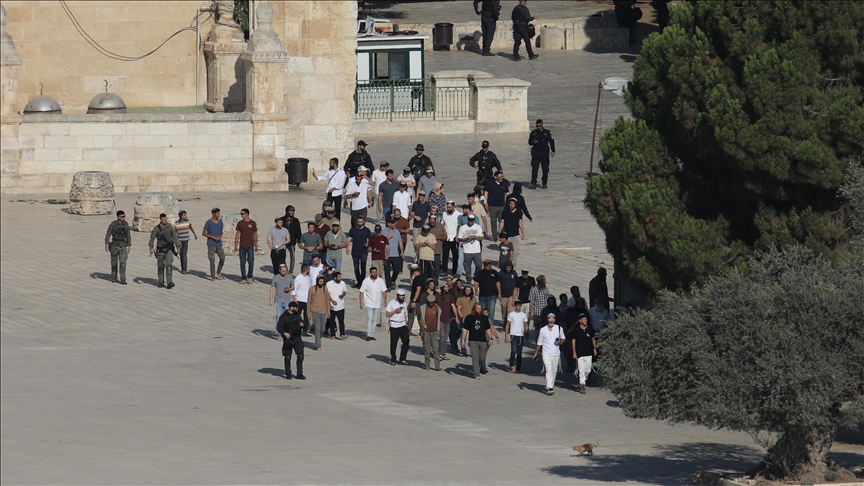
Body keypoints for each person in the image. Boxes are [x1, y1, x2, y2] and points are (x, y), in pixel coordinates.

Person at [533, 314, 565, 395]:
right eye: (549, 319)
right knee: (548, 369)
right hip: (546, 354)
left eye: (552, 319)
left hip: (556, 353)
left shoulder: (559, 328)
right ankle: (549, 386)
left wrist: (560, 341)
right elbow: (539, 342)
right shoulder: (543, 330)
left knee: (554, 371)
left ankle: (551, 385)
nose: (551, 321)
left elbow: (563, 338)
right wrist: (535, 353)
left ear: (554, 320)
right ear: (547, 320)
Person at [461, 303, 494, 379]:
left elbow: (488, 329)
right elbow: (465, 330)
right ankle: (476, 374)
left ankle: (476, 366)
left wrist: (490, 338)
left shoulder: (484, 318)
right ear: (474, 309)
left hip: (483, 340)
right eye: (478, 308)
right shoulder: (469, 318)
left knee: (482, 357)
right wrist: (463, 340)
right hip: (473, 341)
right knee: (475, 357)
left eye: (480, 308)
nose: (479, 310)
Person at [148, 213, 180, 289]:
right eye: (163, 219)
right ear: (160, 220)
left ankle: (169, 282)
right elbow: (152, 238)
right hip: (160, 249)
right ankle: (161, 281)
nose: (165, 221)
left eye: (166, 219)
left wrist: (177, 247)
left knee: (169, 264)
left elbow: (174, 237)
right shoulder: (157, 228)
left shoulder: (169, 226)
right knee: (160, 266)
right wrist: (151, 247)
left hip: (168, 248)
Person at [277, 301, 305, 380]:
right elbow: (279, 326)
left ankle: (299, 374)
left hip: (297, 337)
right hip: (288, 338)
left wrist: (302, 325)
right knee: (287, 356)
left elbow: (302, 323)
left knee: (300, 355)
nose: (297, 309)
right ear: (291, 307)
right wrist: (284, 333)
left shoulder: (297, 315)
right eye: (296, 307)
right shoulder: (284, 316)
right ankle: (288, 373)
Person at [359, 266, 388, 341]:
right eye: (373, 272)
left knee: (374, 319)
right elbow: (361, 292)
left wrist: (385, 300)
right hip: (369, 303)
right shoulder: (366, 281)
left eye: (376, 272)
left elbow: (384, 291)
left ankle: (372, 334)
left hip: (377, 303)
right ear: (370, 273)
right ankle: (368, 334)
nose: (375, 273)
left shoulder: (380, 280)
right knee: (370, 318)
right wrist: (361, 302)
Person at [571, 312, 597, 394]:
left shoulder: (590, 328)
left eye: (585, 319)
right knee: (581, 369)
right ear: (580, 321)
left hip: (588, 352)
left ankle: (584, 379)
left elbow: (593, 339)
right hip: (579, 353)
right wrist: (574, 353)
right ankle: (582, 384)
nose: (585, 320)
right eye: (583, 319)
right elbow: (573, 341)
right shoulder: (576, 330)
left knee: (588, 370)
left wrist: (595, 348)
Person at [104, 210, 132, 285]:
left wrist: (129, 245)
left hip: (122, 246)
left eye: (124, 216)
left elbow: (128, 235)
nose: (124, 218)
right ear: (118, 217)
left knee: (123, 262)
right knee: (114, 263)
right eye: (122, 217)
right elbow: (108, 233)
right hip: (114, 246)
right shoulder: (113, 224)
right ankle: (113, 277)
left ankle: (123, 279)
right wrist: (106, 243)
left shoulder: (126, 224)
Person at [528, 119, 556, 189]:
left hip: (544, 154)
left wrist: (553, 151)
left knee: (545, 169)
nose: (538, 127)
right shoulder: (533, 133)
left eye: (540, 126)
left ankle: (544, 182)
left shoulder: (547, 133)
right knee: (534, 168)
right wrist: (532, 142)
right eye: (537, 126)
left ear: (542, 125)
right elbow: (529, 142)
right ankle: (533, 182)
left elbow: (551, 142)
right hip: (536, 153)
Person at [233, 208, 258, 285]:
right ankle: (243, 277)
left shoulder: (252, 223)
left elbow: (255, 234)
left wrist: (256, 245)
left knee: (251, 261)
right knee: (242, 262)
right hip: (242, 246)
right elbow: (237, 234)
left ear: (247, 214)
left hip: (250, 245)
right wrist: (235, 245)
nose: (241, 215)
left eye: (242, 214)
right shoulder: (240, 223)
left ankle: (250, 276)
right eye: (241, 214)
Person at [386, 289, 410, 365]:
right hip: (394, 326)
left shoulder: (404, 303)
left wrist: (406, 321)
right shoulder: (392, 303)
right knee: (393, 344)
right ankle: (393, 359)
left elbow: (405, 313)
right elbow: (387, 314)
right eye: (401, 295)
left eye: (403, 295)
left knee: (406, 341)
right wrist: (395, 311)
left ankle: (403, 358)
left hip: (403, 325)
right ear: (397, 295)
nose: (402, 297)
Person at [457, 214, 484, 283]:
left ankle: (476, 275)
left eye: (472, 221)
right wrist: (465, 240)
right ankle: (468, 279)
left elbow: (481, 238)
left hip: (476, 250)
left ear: (474, 220)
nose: (470, 222)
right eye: (469, 220)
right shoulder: (463, 227)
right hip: (467, 250)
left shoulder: (478, 227)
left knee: (479, 265)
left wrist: (474, 237)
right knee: (467, 266)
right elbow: (459, 238)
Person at [418, 294, 442, 371]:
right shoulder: (422, 308)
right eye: (429, 302)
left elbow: (438, 320)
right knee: (427, 349)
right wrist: (423, 329)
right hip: (426, 331)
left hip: (434, 331)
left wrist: (439, 330)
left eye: (432, 302)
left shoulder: (437, 308)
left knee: (435, 349)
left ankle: (437, 365)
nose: (431, 303)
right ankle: (427, 364)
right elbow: (420, 320)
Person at [347, 215, 372, 287]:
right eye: (359, 222)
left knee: (363, 267)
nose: (360, 223)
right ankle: (359, 281)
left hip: (364, 251)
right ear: (356, 221)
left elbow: (371, 240)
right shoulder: (353, 229)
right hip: (355, 252)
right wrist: (347, 247)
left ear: (364, 222)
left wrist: (368, 244)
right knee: (356, 268)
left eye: (361, 222)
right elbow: (349, 239)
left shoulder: (367, 230)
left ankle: (362, 283)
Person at [307, 274, 331, 351]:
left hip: (323, 311)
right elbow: (309, 302)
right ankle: (318, 345)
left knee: (322, 329)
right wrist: (308, 313)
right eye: (320, 281)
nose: (321, 283)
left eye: (322, 281)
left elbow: (327, 300)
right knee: (317, 328)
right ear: (317, 281)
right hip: (315, 311)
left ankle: (318, 338)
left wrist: (328, 311)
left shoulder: (325, 289)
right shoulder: (312, 289)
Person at [270, 264, 295, 334]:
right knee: (279, 316)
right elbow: (272, 288)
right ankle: (279, 334)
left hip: (287, 300)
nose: (284, 272)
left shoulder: (289, 277)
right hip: (278, 300)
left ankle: (287, 331)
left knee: (288, 317)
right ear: (279, 271)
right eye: (283, 271)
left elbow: (293, 287)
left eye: (285, 271)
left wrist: (289, 289)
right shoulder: (276, 277)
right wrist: (271, 300)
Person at [484, 171, 510, 240]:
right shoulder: (490, 184)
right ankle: (495, 235)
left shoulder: (504, 184)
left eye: (502, 176)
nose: (501, 178)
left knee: (502, 221)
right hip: (492, 206)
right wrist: (485, 202)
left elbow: (507, 193)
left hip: (502, 205)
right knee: (493, 221)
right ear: (495, 177)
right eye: (499, 177)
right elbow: (486, 192)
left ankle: (502, 235)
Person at [505, 300, 529, 373]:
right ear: (515, 306)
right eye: (517, 306)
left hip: (521, 335)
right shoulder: (511, 314)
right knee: (514, 350)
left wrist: (526, 333)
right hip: (513, 335)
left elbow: (526, 324)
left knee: (519, 352)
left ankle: (518, 368)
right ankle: (511, 364)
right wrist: (506, 335)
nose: (519, 307)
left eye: (520, 306)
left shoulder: (523, 315)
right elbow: (507, 324)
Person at [474, 259, 500, 326]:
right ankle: (483, 324)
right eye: (486, 265)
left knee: (491, 312)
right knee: (482, 311)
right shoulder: (480, 273)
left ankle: (490, 326)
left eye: (489, 265)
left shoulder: (494, 273)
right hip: (482, 295)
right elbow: (476, 282)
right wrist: (476, 290)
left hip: (492, 295)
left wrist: (499, 293)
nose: (487, 266)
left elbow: (498, 283)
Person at [203, 207, 226, 281]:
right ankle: (213, 276)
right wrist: (213, 237)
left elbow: (221, 231)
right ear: (213, 214)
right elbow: (204, 233)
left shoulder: (220, 222)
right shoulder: (208, 222)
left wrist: (219, 236)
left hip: (218, 243)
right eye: (217, 213)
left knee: (222, 258)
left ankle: (219, 272)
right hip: (211, 244)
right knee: (212, 260)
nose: (219, 215)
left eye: (219, 213)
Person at [381, 216, 404, 290]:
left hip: (395, 254)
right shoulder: (384, 232)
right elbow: (381, 242)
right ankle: (388, 285)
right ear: (388, 224)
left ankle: (393, 280)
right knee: (387, 270)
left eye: (394, 223)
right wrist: (388, 237)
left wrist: (402, 251)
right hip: (386, 254)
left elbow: (400, 241)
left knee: (397, 269)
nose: (394, 224)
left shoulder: (397, 231)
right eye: (393, 223)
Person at [499, 198, 524, 264]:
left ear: (515, 204)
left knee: (515, 252)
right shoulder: (505, 211)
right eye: (510, 203)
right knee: (506, 252)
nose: (511, 205)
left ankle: (514, 266)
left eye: (513, 204)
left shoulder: (519, 212)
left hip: (516, 235)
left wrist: (522, 233)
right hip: (507, 236)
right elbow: (502, 222)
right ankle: (505, 265)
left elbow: (520, 222)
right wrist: (499, 232)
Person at [436, 281, 456, 361]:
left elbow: (453, 307)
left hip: (447, 319)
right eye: (446, 287)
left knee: (445, 338)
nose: (448, 288)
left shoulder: (449, 296)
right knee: (442, 337)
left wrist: (457, 317)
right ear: (442, 288)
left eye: (448, 287)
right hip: (440, 319)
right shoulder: (438, 296)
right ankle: (439, 353)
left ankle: (443, 354)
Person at [528, 275, 552, 340]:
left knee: (544, 329)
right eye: (545, 279)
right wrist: (531, 313)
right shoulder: (534, 289)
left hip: (545, 313)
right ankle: (538, 342)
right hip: (537, 313)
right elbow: (531, 302)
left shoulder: (546, 289)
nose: (546, 280)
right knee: (537, 329)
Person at [326, 271, 348, 340]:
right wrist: (332, 300)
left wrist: (343, 294)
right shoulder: (329, 284)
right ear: (335, 278)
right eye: (339, 277)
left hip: (341, 305)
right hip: (332, 305)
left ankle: (342, 334)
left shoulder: (343, 283)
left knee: (341, 321)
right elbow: (327, 294)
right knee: (332, 321)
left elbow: (345, 291)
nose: (340, 278)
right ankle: (333, 335)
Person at [173, 210, 197, 275]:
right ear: (180, 216)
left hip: (186, 240)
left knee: (184, 254)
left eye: (185, 215)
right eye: (184, 215)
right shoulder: (177, 223)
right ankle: (182, 267)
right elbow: (174, 232)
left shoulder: (188, 222)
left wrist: (194, 234)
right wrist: (177, 240)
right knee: (181, 254)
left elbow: (191, 228)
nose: (185, 216)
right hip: (180, 241)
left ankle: (184, 269)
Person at [410, 191, 432, 259]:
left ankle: (421, 254)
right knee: (415, 241)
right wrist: (415, 216)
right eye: (419, 197)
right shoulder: (415, 203)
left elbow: (429, 214)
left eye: (421, 198)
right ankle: (417, 254)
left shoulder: (427, 204)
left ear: (424, 197)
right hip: (416, 225)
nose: (420, 199)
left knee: (422, 240)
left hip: (423, 225)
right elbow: (412, 213)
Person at [280, 205, 302, 274]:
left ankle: (291, 271)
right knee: (282, 256)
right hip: (283, 241)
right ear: (287, 211)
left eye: (293, 211)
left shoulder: (296, 220)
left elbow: (298, 231)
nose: (292, 212)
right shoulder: (282, 220)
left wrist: (299, 240)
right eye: (290, 211)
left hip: (292, 241)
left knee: (292, 257)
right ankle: (284, 269)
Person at [292, 264, 313, 333]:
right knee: (297, 314)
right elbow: (294, 290)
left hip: (307, 300)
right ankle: (299, 326)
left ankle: (305, 330)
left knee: (307, 315)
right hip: (299, 299)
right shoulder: (298, 278)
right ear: (306, 270)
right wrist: (295, 300)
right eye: (309, 269)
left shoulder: (308, 277)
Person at [441, 201, 460, 277]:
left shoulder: (459, 215)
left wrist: (458, 236)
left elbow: (460, 226)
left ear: (453, 206)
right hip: (446, 237)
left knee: (455, 255)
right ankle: (444, 270)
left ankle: (454, 271)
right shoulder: (444, 213)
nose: (448, 209)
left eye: (450, 207)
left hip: (455, 238)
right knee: (445, 255)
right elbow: (442, 223)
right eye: (447, 207)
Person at [427, 214, 446, 281]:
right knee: (429, 268)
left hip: (437, 251)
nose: (432, 224)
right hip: (428, 251)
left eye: (433, 222)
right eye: (430, 222)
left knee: (436, 268)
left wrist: (438, 237)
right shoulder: (426, 226)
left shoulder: (440, 226)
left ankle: (435, 281)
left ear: (435, 221)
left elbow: (445, 237)